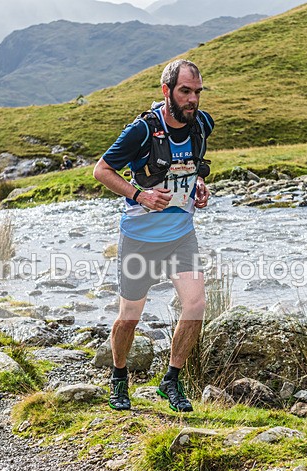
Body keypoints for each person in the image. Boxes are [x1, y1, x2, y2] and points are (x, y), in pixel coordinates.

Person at [93, 59, 214, 412]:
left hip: (181, 235)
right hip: (139, 238)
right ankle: (118, 377)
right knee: (130, 316)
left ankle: (170, 382)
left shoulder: (201, 125)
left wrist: (200, 185)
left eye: (197, 92)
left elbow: (195, 166)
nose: (192, 100)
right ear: (166, 91)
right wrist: (140, 195)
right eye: (185, 92)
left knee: (195, 305)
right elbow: (101, 170)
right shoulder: (143, 131)